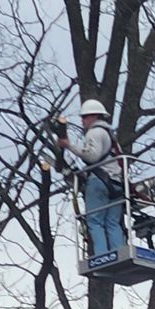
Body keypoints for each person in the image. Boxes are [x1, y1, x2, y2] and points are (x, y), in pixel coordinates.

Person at [58, 98, 126, 264]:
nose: (82, 121)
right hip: (116, 184)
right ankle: (120, 255)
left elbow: (92, 155)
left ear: (94, 116)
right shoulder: (111, 136)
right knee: (112, 222)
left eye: (85, 117)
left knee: (94, 221)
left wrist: (69, 146)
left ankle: (103, 258)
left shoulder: (95, 132)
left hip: (100, 182)